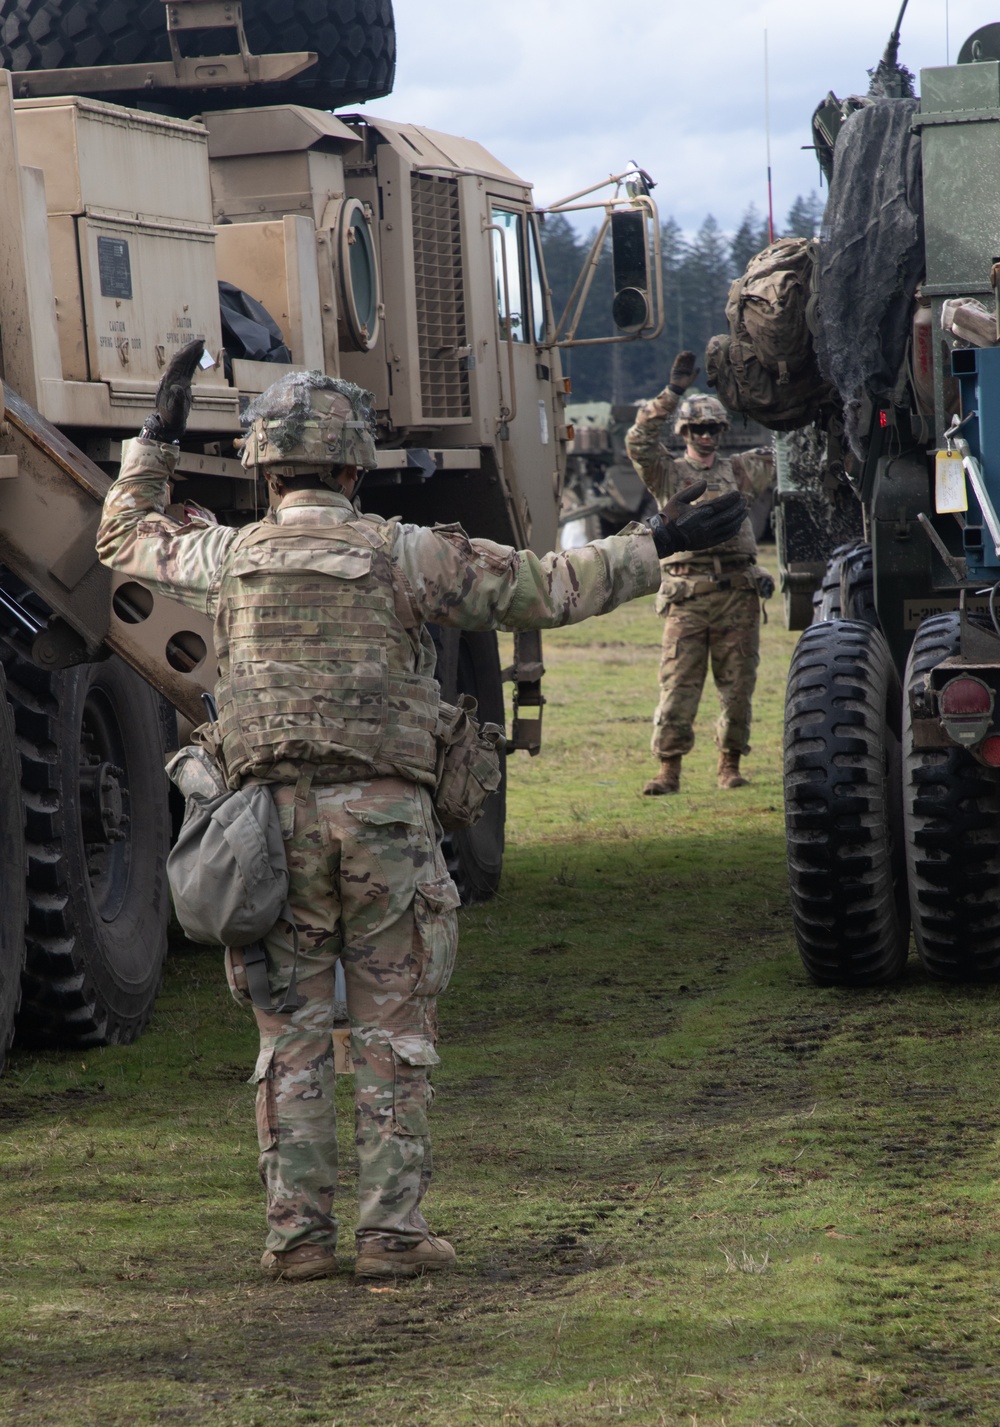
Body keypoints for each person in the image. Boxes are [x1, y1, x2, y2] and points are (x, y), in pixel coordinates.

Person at [96, 343, 746, 1283]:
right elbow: (547, 587)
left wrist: (154, 439)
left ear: (265, 468)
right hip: (387, 828)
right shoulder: (407, 555)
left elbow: (123, 541)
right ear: (356, 467)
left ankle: (298, 1239)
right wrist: (661, 541)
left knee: (291, 1037)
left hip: (263, 829)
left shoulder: (223, 556)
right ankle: (392, 1233)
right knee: (393, 1030)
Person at [626, 351, 775, 795]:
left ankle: (729, 765)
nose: (706, 436)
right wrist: (671, 394)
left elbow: (786, 449)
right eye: (698, 429)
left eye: (713, 428)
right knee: (677, 688)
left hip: (737, 596)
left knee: (738, 690)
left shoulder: (739, 471)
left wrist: (759, 385)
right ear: (685, 433)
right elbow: (637, 441)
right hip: (687, 596)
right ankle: (668, 770)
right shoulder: (667, 474)